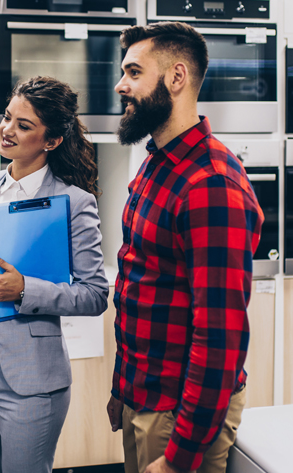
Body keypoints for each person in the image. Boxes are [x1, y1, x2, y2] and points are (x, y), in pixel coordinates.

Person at [105, 22, 264, 473]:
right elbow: (140, 290)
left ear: (176, 78)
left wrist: (181, 457)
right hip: (146, 398)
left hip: (180, 415)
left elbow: (219, 336)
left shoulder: (210, 184)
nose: (121, 85)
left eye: (134, 72)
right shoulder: (158, 164)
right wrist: (123, 388)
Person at [0, 76, 109, 473]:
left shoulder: (73, 202)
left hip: (33, 376)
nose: (7, 130)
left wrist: (23, 290)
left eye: (23, 125)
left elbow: (95, 295)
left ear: (50, 141)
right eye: (7, 118)